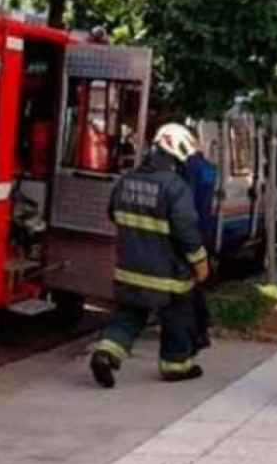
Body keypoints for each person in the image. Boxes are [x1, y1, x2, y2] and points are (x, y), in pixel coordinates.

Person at [90, 123, 210, 388]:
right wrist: (200, 262)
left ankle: (106, 352)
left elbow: (113, 215)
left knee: (128, 315)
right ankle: (175, 366)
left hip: (129, 269)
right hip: (166, 275)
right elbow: (187, 230)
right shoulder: (175, 186)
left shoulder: (126, 180)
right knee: (178, 315)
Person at [181, 135, 218, 352]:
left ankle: (195, 334)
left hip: (186, 233)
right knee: (195, 286)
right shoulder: (208, 168)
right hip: (203, 232)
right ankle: (201, 330)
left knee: (186, 290)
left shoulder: (187, 168)